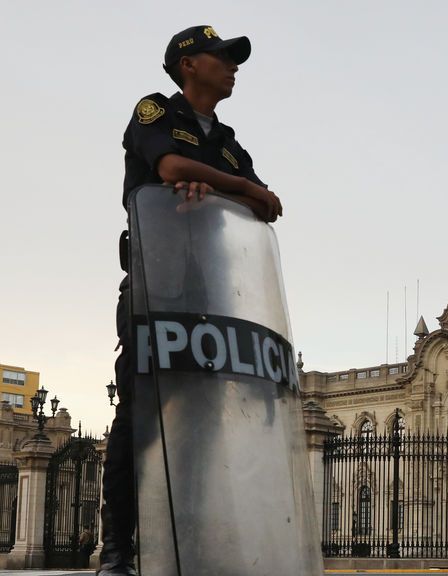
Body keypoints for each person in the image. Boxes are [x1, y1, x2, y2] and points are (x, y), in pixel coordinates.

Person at [100, 25, 282, 576]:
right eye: (221, 58)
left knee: (201, 423)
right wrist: (237, 188)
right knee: (139, 419)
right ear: (188, 65)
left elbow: (270, 204)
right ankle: (118, 552)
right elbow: (171, 169)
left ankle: (192, 541)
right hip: (157, 289)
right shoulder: (155, 111)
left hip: (212, 295)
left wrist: (229, 188)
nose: (232, 67)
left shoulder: (228, 141)